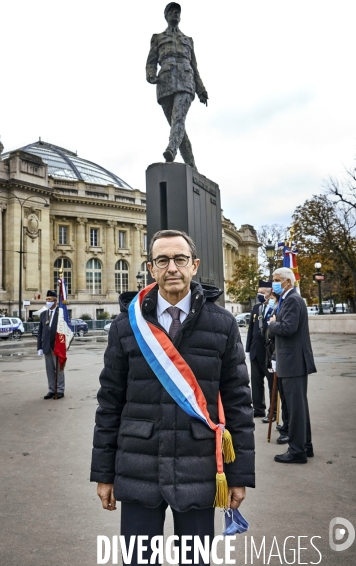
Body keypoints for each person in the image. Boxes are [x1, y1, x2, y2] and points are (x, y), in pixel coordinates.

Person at [91, 230, 254, 565]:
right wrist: (104, 473)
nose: (172, 268)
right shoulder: (126, 326)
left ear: (194, 266)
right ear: (151, 269)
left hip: (199, 468)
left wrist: (239, 476)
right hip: (138, 466)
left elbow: (238, 402)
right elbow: (110, 402)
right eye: (162, 260)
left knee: (195, 561)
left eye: (180, 259)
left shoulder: (222, 325)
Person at [146, 3, 208, 170]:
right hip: (165, 83)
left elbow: (194, 66)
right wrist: (150, 75)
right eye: (172, 11)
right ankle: (191, 164)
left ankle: (171, 150)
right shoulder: (157, 38)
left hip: (186, 81)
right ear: (166, 16)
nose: (175, 14)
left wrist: (201, 89)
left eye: (177, 12)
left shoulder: (188, 40)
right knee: (177, 124)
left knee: (178, 118)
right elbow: (151, 61)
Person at [268, 267, 316, 463]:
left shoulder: (293, 300)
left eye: (277, 280)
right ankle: (305, 446)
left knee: (296, 409)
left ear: (287, 281)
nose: (274, 283)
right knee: (299, 407)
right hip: (292, 360)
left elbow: (288, 328)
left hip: (293, 361)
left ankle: (297, 451)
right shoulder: (289, 299)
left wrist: (272, 324)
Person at [245, 280, 277, 422]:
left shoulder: (275, 308)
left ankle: (273, 412)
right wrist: (248, 349)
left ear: (270, 293)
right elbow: (251, 330)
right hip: (255, 351)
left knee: (272, 384)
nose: (259, 295)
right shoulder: (256, 308)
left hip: (269, 353)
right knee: (256, 382)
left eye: (262, 293)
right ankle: (258, 409)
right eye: (258, 292)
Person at [37, 290, 64, 399]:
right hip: (47, 346)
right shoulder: (44, 314)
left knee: (59, 369)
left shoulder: (61, 313)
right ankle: (52, 389)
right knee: (49, 369)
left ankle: (60, 389)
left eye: (50, 300)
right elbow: (40, 332)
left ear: (55, 301)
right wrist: (39, 347)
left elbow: (64, 330)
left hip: (57, 346)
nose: (48, 302)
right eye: (47, 300)